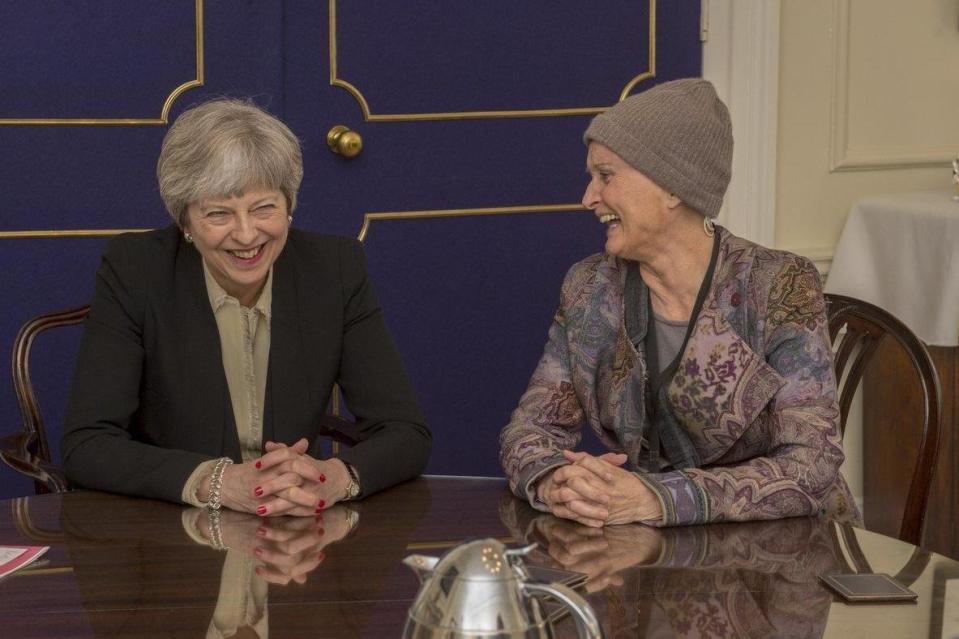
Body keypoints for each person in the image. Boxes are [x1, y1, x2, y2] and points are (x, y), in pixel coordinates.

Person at [499, 79, 857, 527]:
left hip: (786, 559)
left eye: (606, 176)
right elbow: (530, 430)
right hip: (664, 554)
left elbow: (811, 465)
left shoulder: (777, 286)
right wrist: (557, 481)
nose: (588, 197)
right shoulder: (589, 287)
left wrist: (658, 498)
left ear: (672, 189)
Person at [63, 98, 431, 516]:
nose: (246, 234)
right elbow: (87, 445)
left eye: (264, 209)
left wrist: (335, 477)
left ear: (288, 207)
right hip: (173, 533)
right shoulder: (136, 270)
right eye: (219, 214)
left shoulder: (335, 270)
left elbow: (406, 432)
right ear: (185, 221)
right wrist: (214, 481)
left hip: (296, 539)